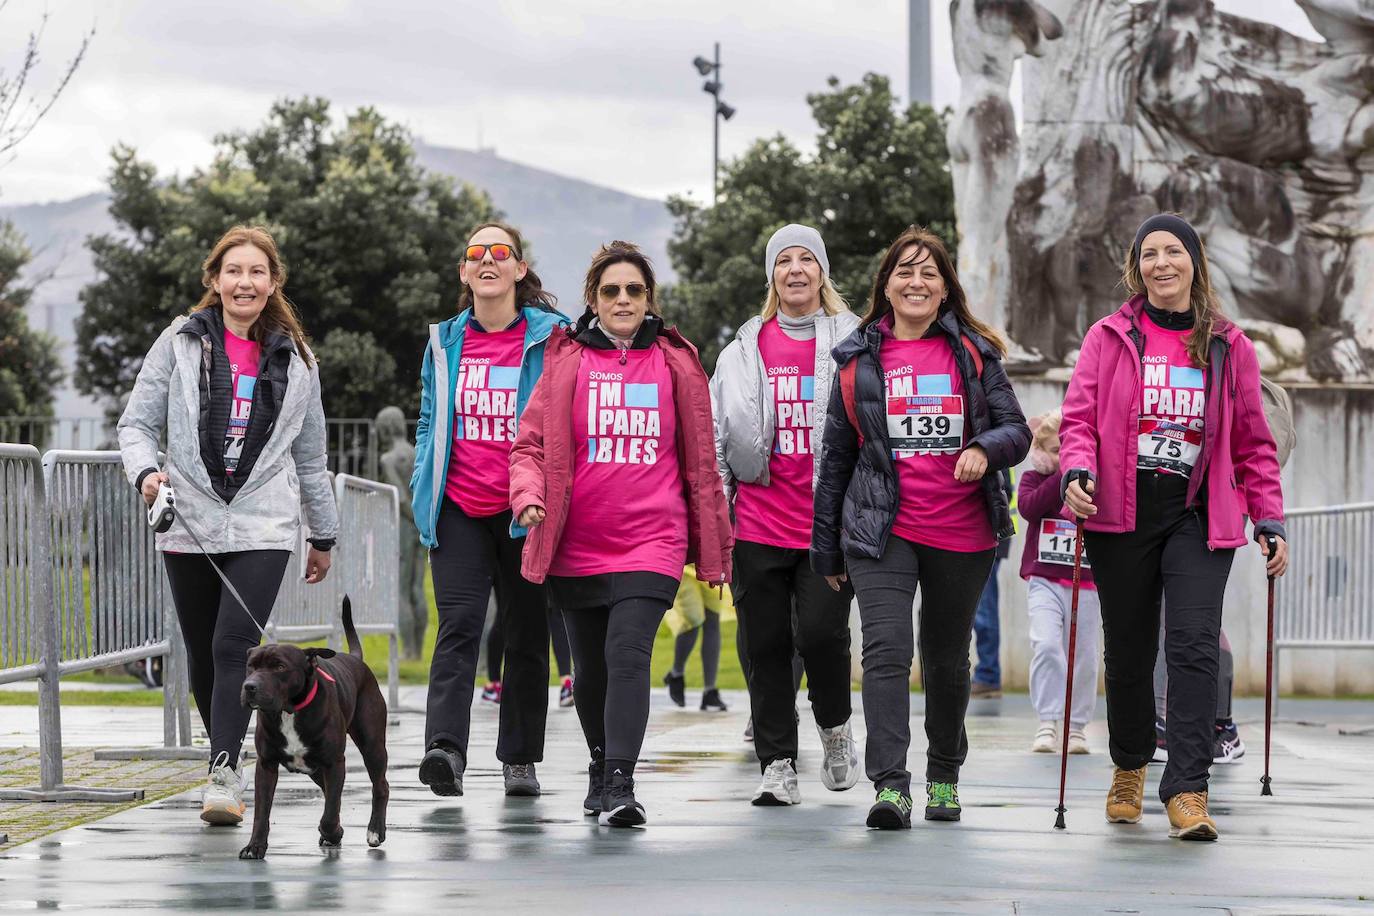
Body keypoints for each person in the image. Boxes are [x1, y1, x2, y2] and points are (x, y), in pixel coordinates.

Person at [1060, 213, 1289, 841]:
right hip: (1122, 514)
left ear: (1194, 261)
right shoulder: (1109, 337)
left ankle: (1188, 788)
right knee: (1130, 653)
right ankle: (1130, 766)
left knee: (1192, 650)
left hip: (1197, 515)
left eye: (1174, 251)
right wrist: (1077, 468)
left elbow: (1253, 442)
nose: (1162, 263)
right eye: (1150, 254)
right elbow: (1079, 418)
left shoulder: (1228, 344)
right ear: (1138, 267)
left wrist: (1268, 516)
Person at [117, 224, 337, 825]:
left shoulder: (298, 361)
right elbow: (135, 425)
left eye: (257, 272)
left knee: (233, 644)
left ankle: (222, 774)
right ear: (214, 280)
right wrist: (146, 475)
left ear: (272, 284)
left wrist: (323, 534)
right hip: (188, 518)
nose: (245, 282)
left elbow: (310, 456)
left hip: (264, 521)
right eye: (233, 271)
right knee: (203, 654)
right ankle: (231, 756)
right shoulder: (179, 344)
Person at [812, 226, 1030, 829]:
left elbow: (1018, 430)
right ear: (886, 286)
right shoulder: (857, 362)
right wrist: (826, 549)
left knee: (947, 658)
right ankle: (891, 786)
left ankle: (943, 777)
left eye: (928, 273)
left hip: (962, 534)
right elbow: (835, 460)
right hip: (883, 531)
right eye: (904, 271)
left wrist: (985, 448)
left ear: (944, 289)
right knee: (884, 651)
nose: (915, 282)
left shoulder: (974, 354)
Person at [509, 241, 731, 828]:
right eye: (611, 291)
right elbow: (530, 446)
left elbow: (702, 459)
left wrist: (713, 538)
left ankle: (622, 783)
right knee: (590, 670)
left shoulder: (676, 362)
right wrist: (528, 496)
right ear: (593, 301)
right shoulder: (566, 362)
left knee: (627, 653)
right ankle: (600, 761)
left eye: (634, 289)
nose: (623, 299)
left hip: (653, 539)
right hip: (576, 545)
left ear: (649, 298)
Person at [410, 221, 567, 799]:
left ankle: (519, 758)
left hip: (526, 512)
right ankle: (445, 750)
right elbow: (429, 418)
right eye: (476, 254)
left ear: (519, 270)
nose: (487, 261)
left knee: (526, 633)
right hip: (459, 510)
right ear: (464, 272)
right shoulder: (444, 341)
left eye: (500, 253)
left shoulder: (553, 338)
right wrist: (422, 481)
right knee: (458, 628)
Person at [710, 223, 861, 806]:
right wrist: (719, 526)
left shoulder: (854, 341)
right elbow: (719, 442)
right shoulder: (742, 350)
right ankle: (777, 762)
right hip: (757, 525)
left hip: (827, 528)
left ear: (822, 272)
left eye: (807, 260)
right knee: (764, 646)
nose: (795, 270)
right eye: (784, 262)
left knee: (823, 635)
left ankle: (835, 728)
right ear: (772, 275)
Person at [1017, 409, 1100, 755]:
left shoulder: (1093, 484)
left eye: (1068, 450)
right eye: (1055, 450)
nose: (1061, 457)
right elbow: (1028, 507)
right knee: (1048, 645)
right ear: (1041, 450)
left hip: (1088, 583)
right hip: (1044, 579)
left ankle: (1077, 727)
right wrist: (1064, 476)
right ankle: (1048, 721)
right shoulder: (1035, 480)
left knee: (1084, 654)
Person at [663, 564, 734, 712]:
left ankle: (710, 690)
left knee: (712, 620)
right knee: (693, 619)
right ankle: (677, 673)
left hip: (710, 561)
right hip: (683, 561)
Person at [971, 469, 1015, 699]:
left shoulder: (995, 445)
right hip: (983, 536)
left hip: (988, 537)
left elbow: (1001, 490)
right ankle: (987, 674)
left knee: (984, 613)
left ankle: (988, 675)